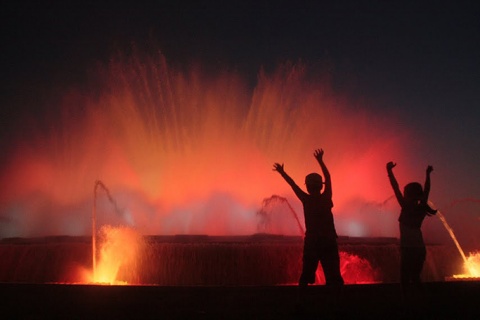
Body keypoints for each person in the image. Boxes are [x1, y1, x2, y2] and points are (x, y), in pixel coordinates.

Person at [273, 149, 344, 286]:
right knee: (334, 277)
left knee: (305, 277)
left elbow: (293, 184)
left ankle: (303, 302)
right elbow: (328, 177)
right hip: (329, 240)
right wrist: (320, 161)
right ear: (320, 186)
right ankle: (337, 304)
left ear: (308, 187)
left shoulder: (306, 199)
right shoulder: (326, 197)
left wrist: (282, 173)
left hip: (312, 242)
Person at [386, 161, 437, 285]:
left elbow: (395, 186)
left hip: (408, 249)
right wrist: (428, 174)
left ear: (408, 194)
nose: (403, 194)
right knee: (415, 278)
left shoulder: (405, 206)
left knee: (404, 279)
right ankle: (418, 301)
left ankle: (407, 302)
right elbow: (427, 189)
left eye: (405, 192)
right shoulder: (422, 207)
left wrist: (389, 171)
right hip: (419, 249)